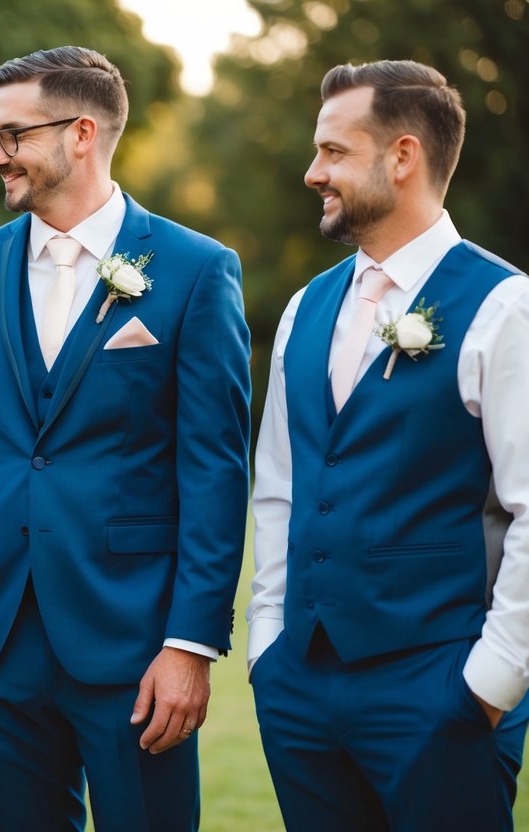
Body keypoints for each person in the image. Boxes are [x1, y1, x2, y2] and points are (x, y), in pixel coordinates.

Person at [0, 47, 251, 831]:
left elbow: (214, 468)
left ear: (79, 133)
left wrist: (190, 645)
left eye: (11, 135)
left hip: (135, 637)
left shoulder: (195, 269)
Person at [248, 60, 529, 831]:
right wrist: (267, 648)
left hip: (438, 686)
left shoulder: (503, 306)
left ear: (401, 156)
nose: (313, 173)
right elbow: (278, 485)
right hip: (299, 686)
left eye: (334, 152)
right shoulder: (308, 305)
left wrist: (488, 682)